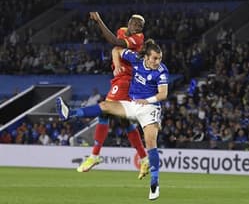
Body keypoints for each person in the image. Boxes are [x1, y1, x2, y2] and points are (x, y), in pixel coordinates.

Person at [56, 39, 168, 200]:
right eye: (155, 58)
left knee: (151, 141)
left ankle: (154, 184)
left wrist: (148, 100)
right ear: (146, 57)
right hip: (132, 104)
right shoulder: (135, 59)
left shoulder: (162, 71)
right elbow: (116, 49)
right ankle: (69, 114)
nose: (158, 61)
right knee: (105, 106)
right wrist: (117, 64)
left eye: (159, 58)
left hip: (150, 108)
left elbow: (163, 94)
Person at [77, 12, 149, 180]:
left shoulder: (138, 38)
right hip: (122, 79)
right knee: (125, 122)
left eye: (140, 26)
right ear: (129, 23)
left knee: (104, 112)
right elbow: (116, 48)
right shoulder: (122, 30)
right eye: (134, 23)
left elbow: (115, 43)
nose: (136, 27)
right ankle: (144, 159)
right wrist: (116, 63)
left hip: (126, 80)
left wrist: (99, 21)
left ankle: (94, 155)